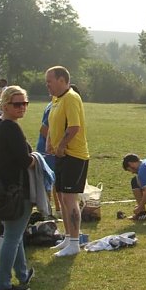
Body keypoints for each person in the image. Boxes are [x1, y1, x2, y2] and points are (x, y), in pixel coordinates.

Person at [0, 85, 36, 290]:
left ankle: (23, 274)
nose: (21, 108)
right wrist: (36, 160)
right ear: (5, 105)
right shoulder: (11, 128)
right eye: (17, 104)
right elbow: (25, 160)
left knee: (13, 234)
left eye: (24, 103)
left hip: (2, 189)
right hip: (15, 191)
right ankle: (3, 284)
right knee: (12, 237)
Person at [45, 66, 90, 257]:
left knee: (70, 198)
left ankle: (74, 242)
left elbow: (74, 127)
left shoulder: (71, 97)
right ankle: (67, 237)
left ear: (62, 80)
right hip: (61, 156)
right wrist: (49, 142)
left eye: (50, 81)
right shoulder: (56, 99)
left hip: (74, 156)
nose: (48, 85)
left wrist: (62, 145)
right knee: (62, 198)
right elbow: (51, 124)